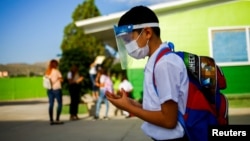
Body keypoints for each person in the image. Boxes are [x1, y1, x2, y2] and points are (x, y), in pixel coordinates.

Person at [106, 6, 189, 141]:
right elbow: (158, 108)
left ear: (147, 33)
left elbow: (168, 120)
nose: (127, 46)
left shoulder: (164, 64)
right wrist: (131, 104)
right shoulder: (156, 61)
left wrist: (128, 108)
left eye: (128, 40)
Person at [44, 59, 64, 125]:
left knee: (51, 104)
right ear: (56, 65)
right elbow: (61, 80)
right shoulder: (57, 71)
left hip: (49, 90)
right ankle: (57, 119)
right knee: (60, 104)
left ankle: (51, 120)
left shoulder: (47, 72)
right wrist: (59, 79)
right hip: (57, 89)